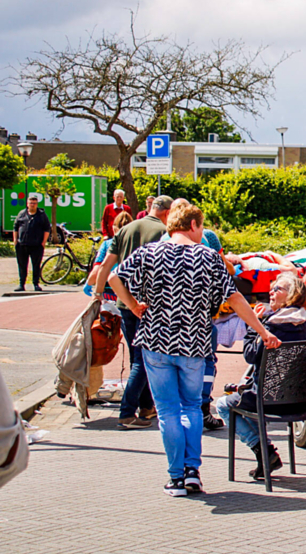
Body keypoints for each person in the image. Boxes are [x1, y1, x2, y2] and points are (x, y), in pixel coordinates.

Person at [108, 203, 281, 497]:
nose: (202, 233)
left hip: (156, 341)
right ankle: (192, 472)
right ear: (192, 225)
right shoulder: (208, 257)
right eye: (201, 227)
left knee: (167, 411)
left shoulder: (148, 253)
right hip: (193, 343)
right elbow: (235, 298)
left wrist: (134, 305)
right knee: (191, 407)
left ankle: (176, 477)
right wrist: (263, 331)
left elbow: (113, 277)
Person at [215, 272, 306, 481]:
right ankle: (266, 453)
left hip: (269, 401)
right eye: (271, 288)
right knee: (242, 394)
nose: (271, 292)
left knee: (223, 405)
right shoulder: (305, 325)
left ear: (292, 295)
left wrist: (254, 325)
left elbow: (250, 355)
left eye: (277, 289)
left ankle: (263, 450)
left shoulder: (272, 326)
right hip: (300, 402)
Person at [93, 195, 174, 429]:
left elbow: (106, 265)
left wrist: (98, 294)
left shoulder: (126, 229)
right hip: (147, 305)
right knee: (143, 359)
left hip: (124, 303)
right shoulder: (164, 232)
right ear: (167, 213)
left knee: (137, 357)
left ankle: (146, 406)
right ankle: (127, 412)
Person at [159, 198, 228, 431]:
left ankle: (178, 415)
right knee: (206, 362)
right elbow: (224, 274)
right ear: (193, 222)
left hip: (166, 322)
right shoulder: (207, 239)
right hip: (199, 320)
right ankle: (202, 408)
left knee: (170, 370)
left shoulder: (161, 242)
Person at [85, 211, 134, 301]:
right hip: (131, 294)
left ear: (114, 228)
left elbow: (97, 272)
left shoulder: (107, 244)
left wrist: (88, 284)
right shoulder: (138, 244)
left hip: (109, 294)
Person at [13, 193, 51, 292]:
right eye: (31, 203)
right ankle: (21, 284)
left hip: (36, 245)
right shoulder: (22, 214)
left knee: (36, 265)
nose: (32, 205)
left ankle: (36, 284)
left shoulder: (41, 215)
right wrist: (15, 240)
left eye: (34, 203)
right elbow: (15, 227)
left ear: (37, 204)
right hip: (22, 244)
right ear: (27, 204)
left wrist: (43, 242)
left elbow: (47, 228)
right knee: (22, 265)